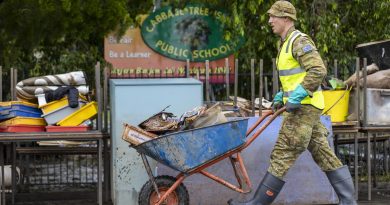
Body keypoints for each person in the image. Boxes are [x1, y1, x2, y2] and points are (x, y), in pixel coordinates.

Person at [228, 1, 357, 205]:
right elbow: (296, 78)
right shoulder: (285, 43)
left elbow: (318, 71)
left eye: (274, 16)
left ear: (286, 18)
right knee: (324, 154)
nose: (270, 21)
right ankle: (349, 202)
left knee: (283, 153)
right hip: (303, 107)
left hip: (303, 109)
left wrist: (298, 96)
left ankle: (257, 204)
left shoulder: (298, 41)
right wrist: (282, 95)